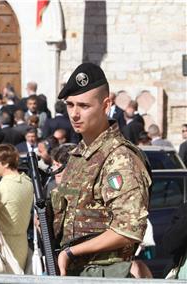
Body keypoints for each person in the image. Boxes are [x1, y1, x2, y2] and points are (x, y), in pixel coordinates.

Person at [53, 62, 151, 277]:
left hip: (104, 274)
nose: (75, 114)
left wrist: (70, 252)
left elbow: (128, 230)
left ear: (106, 105)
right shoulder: (79, 155)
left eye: (84, 106)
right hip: (77, 273)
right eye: (70, 105)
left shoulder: (119, 158)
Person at [0, 144, 34, 270]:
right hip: (22, 243)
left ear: (6, 163)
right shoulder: (28, 182)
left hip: (5, 246)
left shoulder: (2, 187)